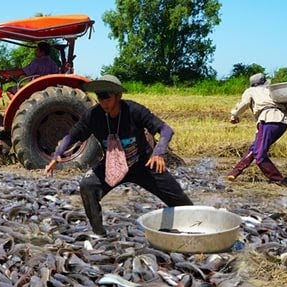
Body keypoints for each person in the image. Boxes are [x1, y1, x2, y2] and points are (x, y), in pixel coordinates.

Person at [44, 74, 191, 238]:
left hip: (143, 163)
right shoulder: (93, 116)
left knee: (182, 202)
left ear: (118, 96)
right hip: (113, 164)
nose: (103, 102)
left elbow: (166, 130)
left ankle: (194, 229)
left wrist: (159, 151)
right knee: (88, 186)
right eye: (100, 97)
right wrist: (57, 154)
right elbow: (72, 136)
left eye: (107, 97)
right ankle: (99, 233)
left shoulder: (134, 110)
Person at [227, 72, 287, 184]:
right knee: (255, 148)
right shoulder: (271, 90)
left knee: (259, 154)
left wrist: (234, 114)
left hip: (268, 120)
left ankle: (278, 179)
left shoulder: (251, 91)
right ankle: (234, 172)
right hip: (282, 122)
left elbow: (244, 103)